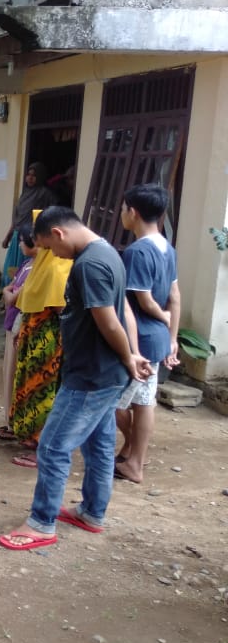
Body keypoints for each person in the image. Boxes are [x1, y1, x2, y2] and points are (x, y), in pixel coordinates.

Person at [0, 206, 150, 551]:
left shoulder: (89, 264)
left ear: (58, 233)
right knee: (99, 445)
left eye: (50, 247)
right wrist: (132, 352)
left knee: (53, 446)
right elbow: (123, 309)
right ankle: (92, 512)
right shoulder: (108, 252)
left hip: (91, 375)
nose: (53, 254)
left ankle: (41, 522)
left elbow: (108, 319)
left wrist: (128, 356)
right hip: (104, 372)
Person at [114, 184, 180, 484]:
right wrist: (172, 336)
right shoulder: (167, 247)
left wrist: (163, 317)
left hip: (138, 339)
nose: (121, 214)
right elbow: (175, 296)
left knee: (111, 402)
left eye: (123, 209)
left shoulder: (137, 251)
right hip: (158, 339)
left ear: (133, 212)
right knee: (144, 402)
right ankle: (134, 459)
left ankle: (132, 452)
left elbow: (144, 300)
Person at [6, 210, 73, 467]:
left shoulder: (56, 266)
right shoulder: (42, 264)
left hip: (48, 341)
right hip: (34, 336)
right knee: (32, 389)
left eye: (38, 234)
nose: (35, 240)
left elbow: (59, 307)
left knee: (44, 393)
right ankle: (34, 439)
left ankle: (42, 448)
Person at [0, 223, 37, 441]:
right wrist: (9, 291)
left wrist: (8, 292)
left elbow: (12, 296)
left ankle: (14, 423)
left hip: (21, 326)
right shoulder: (27, 265)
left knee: (16, 374)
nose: (19, 245)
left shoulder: (37, 270)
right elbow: (10, 290)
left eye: (21, 241)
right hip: (13, 324)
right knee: (8, 373)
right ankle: (9, 420)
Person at [1, 162, 56, 286]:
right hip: (17, 237)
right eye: (28, 174)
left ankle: (20, 294)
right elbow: (17, 218)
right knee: (11, 268)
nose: (30, 178)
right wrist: (8, 236)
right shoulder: (25, 193)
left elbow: (52, 212)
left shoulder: (45, 193)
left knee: (24, 270)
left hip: (29, 238)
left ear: (40, 177)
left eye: (34, 175)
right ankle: (8, 293)